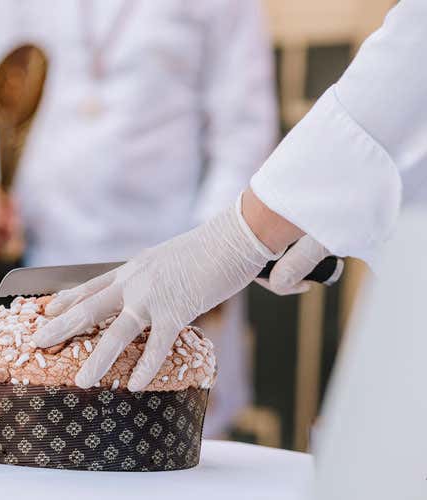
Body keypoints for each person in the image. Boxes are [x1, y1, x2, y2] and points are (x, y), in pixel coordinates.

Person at [32, 0, 427, 392]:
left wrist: (230, 240)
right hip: (57, 243)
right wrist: (320, 213)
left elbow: (410, 65)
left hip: (171, 238)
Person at [0, 0, 277, 437]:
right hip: (43, 260)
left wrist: (214, 257)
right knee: (34, 445)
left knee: (167, 450)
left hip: (171, 270)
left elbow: (244, 129)